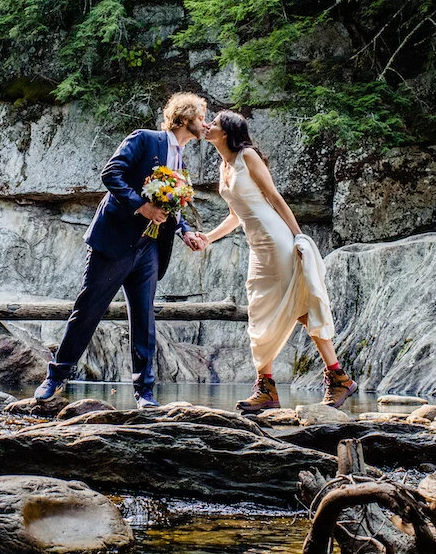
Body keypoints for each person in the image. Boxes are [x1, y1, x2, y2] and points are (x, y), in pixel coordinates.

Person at [34, 93, 209, 408]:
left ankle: (145, 393)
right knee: (88, 311)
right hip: (115, 242)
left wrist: (185, 232)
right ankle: (55, 377)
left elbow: (172, 210)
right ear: (184, 118)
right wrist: (141, 208)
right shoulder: (144, 139)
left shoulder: (182, 160)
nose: (205, 123)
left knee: (144, 319)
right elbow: (110, 174)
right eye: (201, 117)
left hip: (150, 248)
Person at [201, 110, 356, 412]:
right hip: (257, 247)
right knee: (258, 311)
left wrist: (299, 237)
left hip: (277, 240)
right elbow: (235, 216)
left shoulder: (247, 156)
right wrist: (208, 237)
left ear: (227, 132)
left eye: (214, 124)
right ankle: (267, 390)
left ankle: (339, 377)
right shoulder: (224, 166)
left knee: (300, 306)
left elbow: (274, 197)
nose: (207, 126)